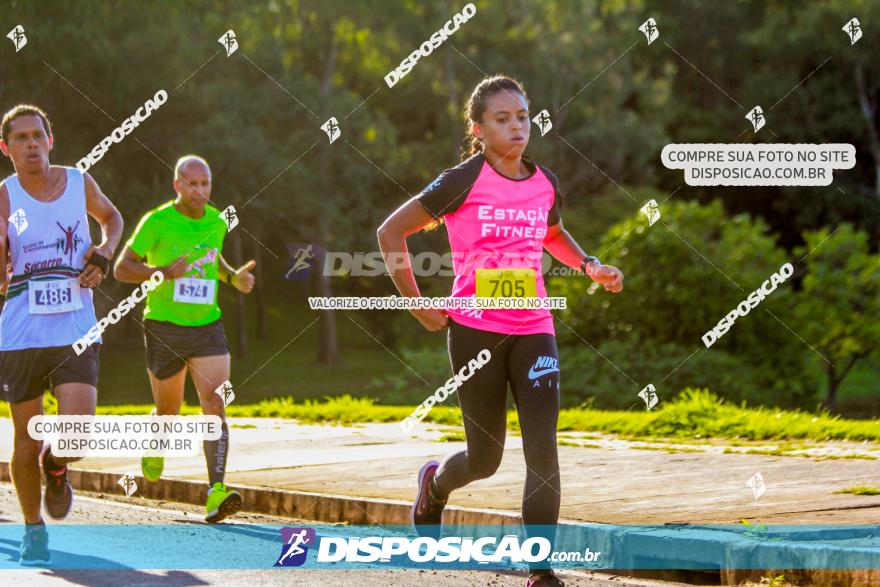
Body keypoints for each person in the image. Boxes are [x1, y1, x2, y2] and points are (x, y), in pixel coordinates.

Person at [376, 76, 624, 587]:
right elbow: (389, 231)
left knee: (543, 447)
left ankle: (541, 569)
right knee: (485, 458)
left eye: (523, 117)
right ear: (478, 128)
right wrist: (416, 303)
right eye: (503, 119)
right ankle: (434, 488)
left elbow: (552, 233)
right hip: (474, 331)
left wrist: (590, 265)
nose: (517, 128)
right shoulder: (461, 180)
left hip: (535, 327)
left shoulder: (543, 181)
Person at [0, 104, 123, 565]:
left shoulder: (78, 182)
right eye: (21, 138)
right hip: (20, 334)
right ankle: (33, 530)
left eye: (38, 135)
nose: (31, 144)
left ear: (50, 140)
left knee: (77, 434)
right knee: (25, 439)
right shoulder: (5, 196)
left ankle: (57, 467)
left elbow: (112, 218)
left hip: (75, 325)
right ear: (6, 148)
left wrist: (105, 253)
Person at [113, 154, 255, 523]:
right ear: (177, 185)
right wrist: (161, 271)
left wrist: (232, 278)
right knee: (169, 411)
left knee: (214, 404)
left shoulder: (216, 221)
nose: (200, 191)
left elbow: (215, 261)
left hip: (207, 326)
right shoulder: (157, 222)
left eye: (205, 184)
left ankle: (216, 491)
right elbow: (121, 268)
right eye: (192, 184)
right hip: (164, 327)